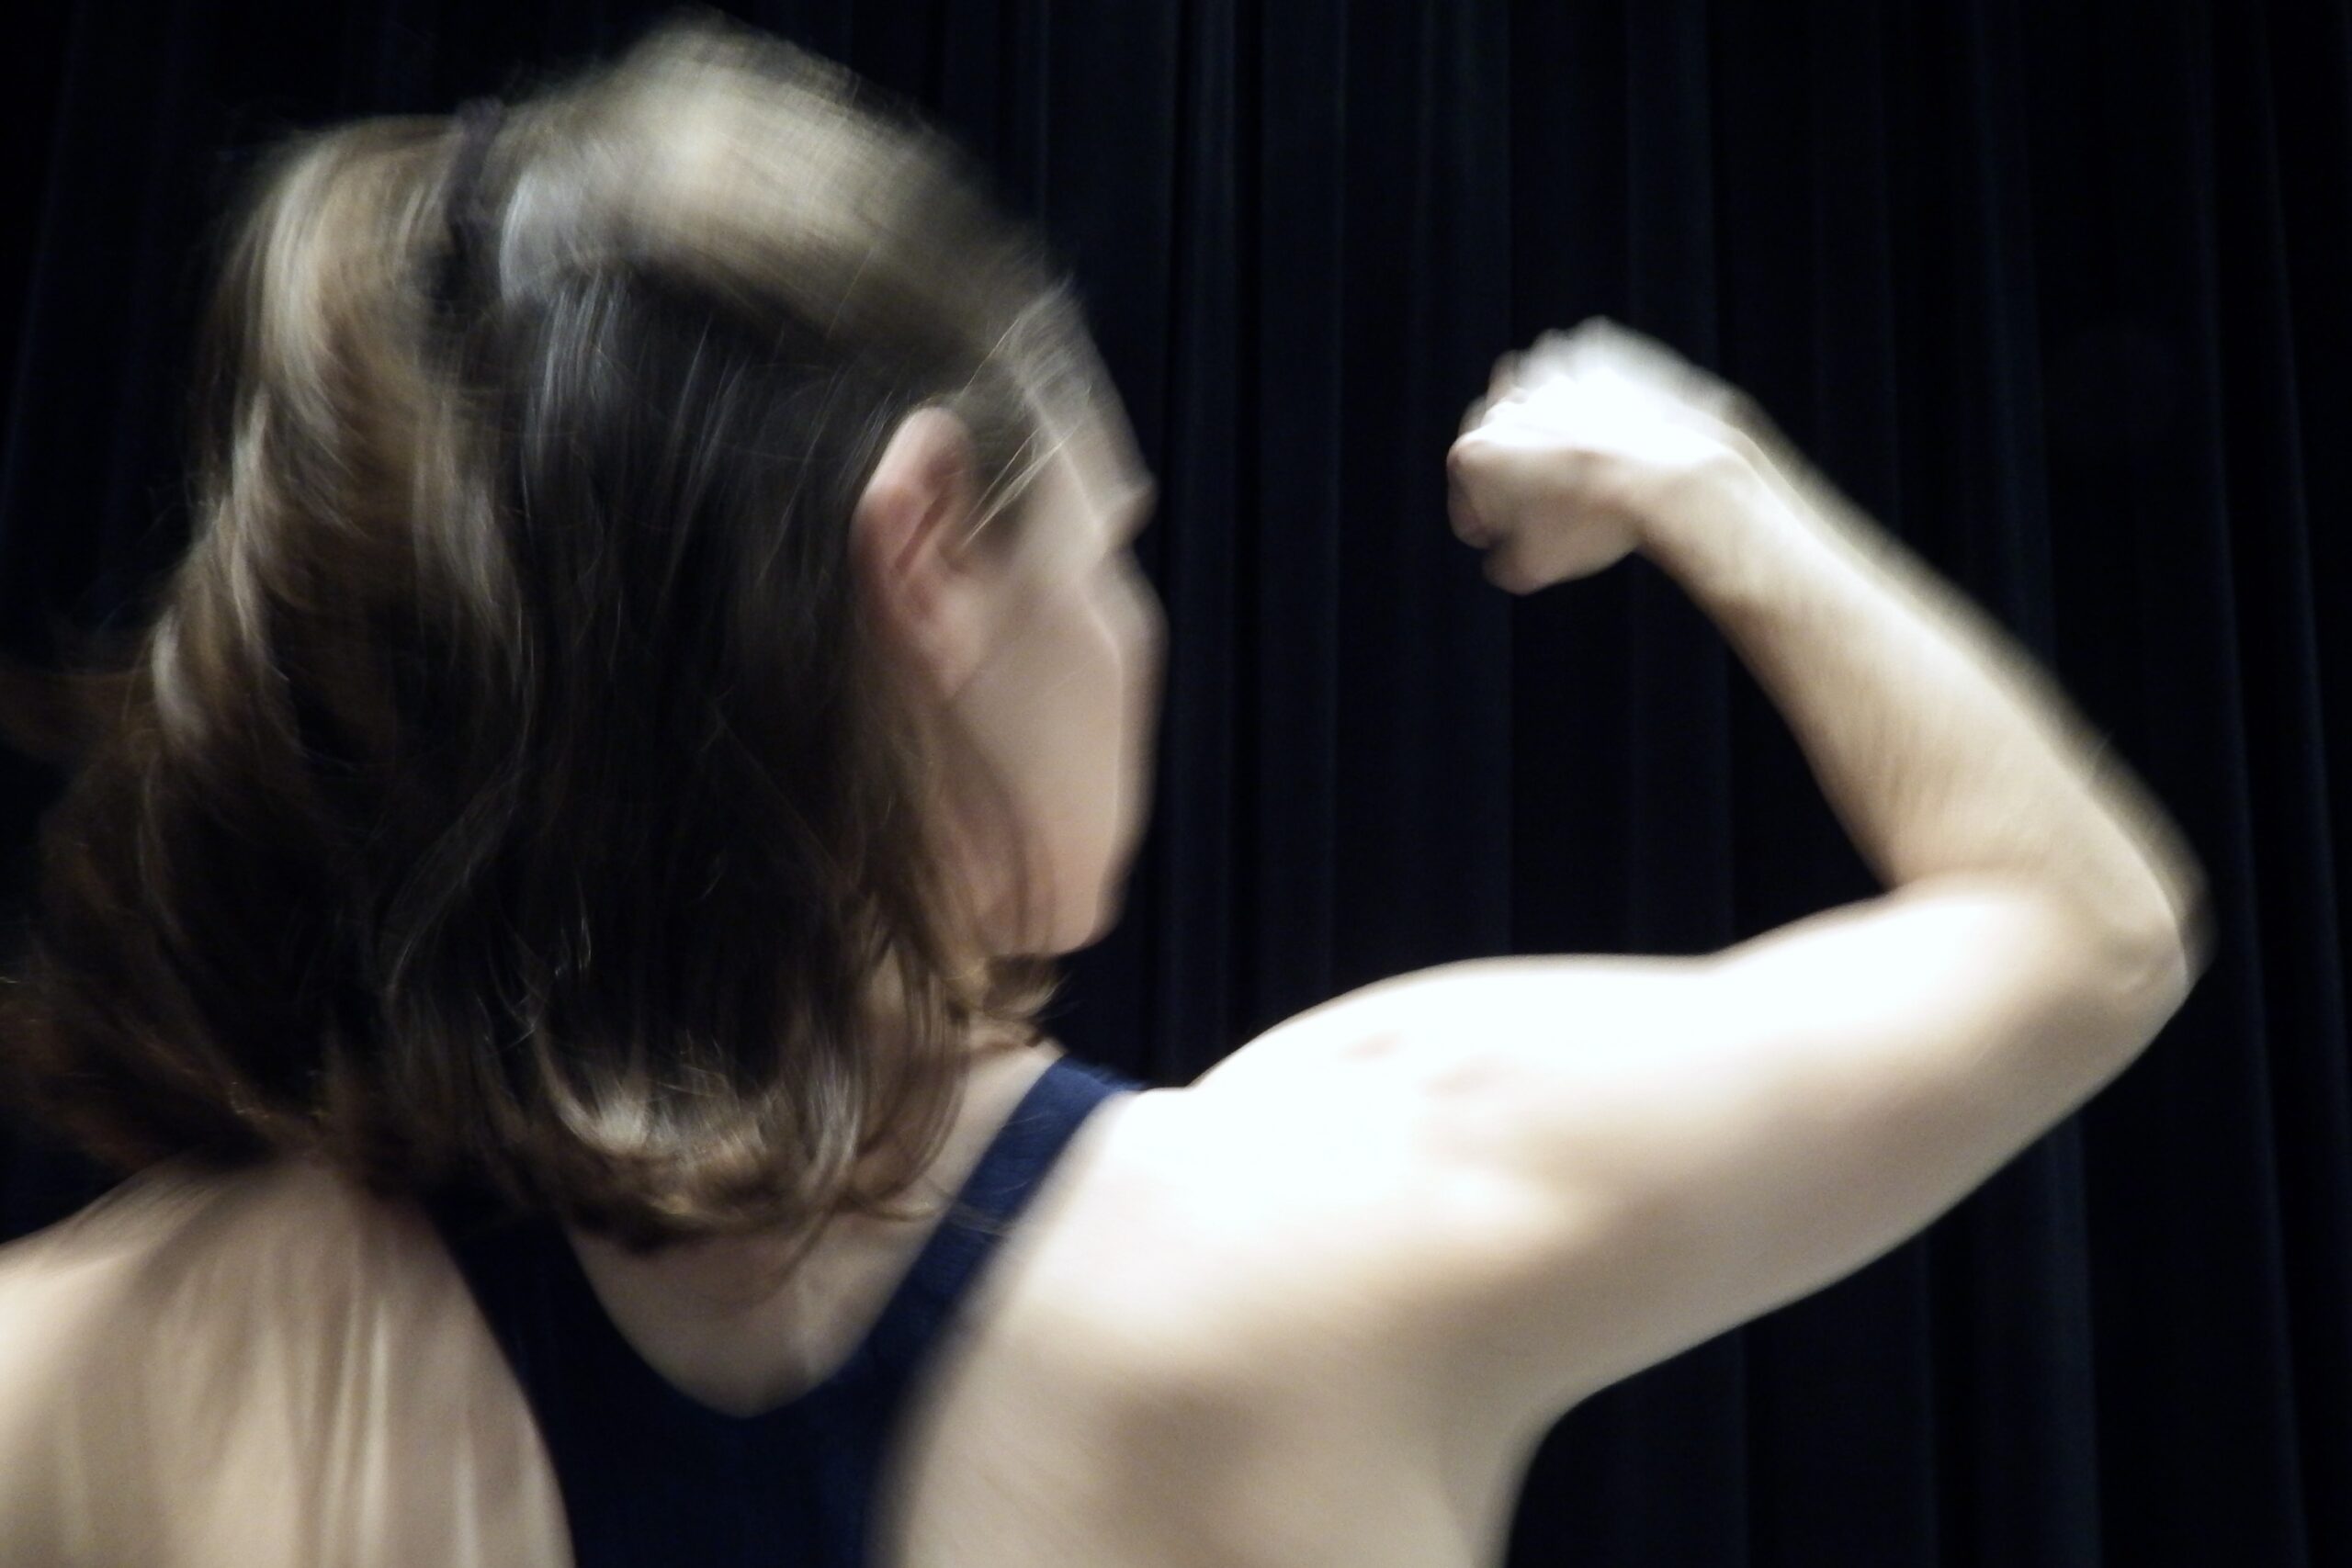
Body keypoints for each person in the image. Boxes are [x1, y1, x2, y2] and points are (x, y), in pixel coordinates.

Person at [0, 13, 2211, 1568]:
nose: (1139, 628)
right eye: (1113, 542)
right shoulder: (1312, 1232)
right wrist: (1694, 464)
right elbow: (2075, 922)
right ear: (929, 548)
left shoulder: (108, 1362)